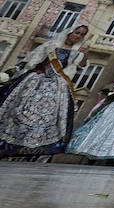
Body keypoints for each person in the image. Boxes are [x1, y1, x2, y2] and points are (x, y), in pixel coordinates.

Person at [0, 25, 89, 158]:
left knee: (47, 117)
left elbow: (80, 66)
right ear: (70, 32)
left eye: (82, 35)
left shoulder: (77, 52)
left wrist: (86, 53)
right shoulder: (51, 45)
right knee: (19, 111)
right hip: (35, 80)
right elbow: (31, 59)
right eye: (77, 32)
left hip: (57, 86)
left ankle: (33, 147)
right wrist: (13, 70)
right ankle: (8, 144)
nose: (78, 36)